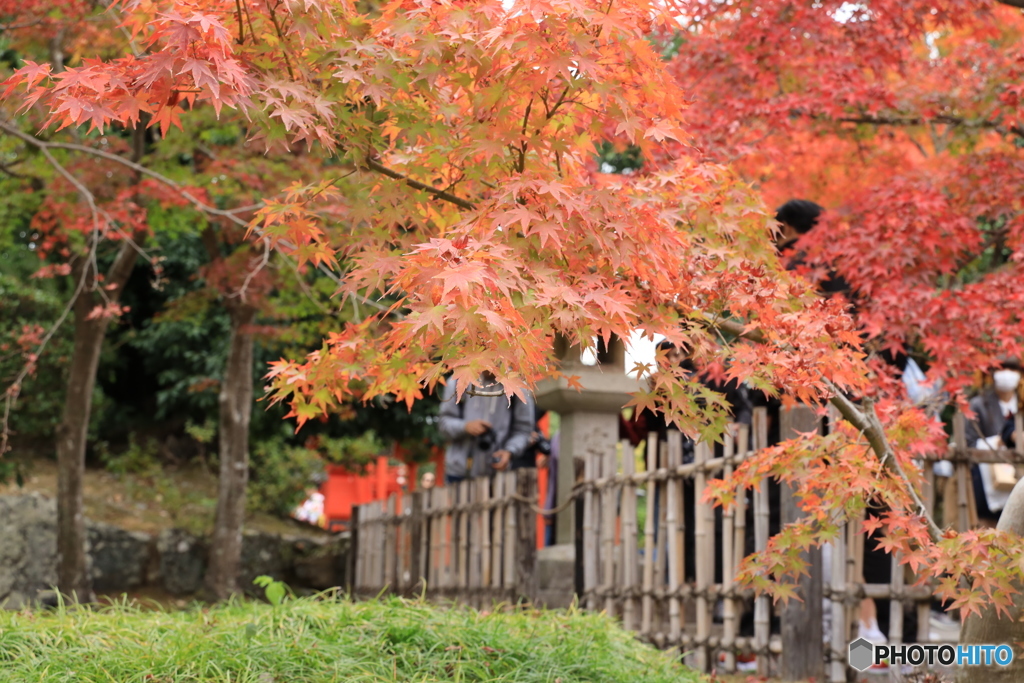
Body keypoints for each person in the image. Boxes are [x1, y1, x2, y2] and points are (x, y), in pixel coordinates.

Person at [438, 372, 535, 484]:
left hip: (498, 476)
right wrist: (465, 426)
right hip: (458, 473)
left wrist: (510, 451)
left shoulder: (518, 385)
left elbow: (524, 430)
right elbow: (443, 423)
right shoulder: (458, 380)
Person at [964, 359, 1022, 526]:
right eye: (1002, 369)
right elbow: (969, 441)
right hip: (985, 475)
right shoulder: (978, 404)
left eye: (1013, 369)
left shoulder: (1021, 404)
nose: (1007, 374)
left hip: (1018, 473)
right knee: (988, 527)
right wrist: (993, 443)